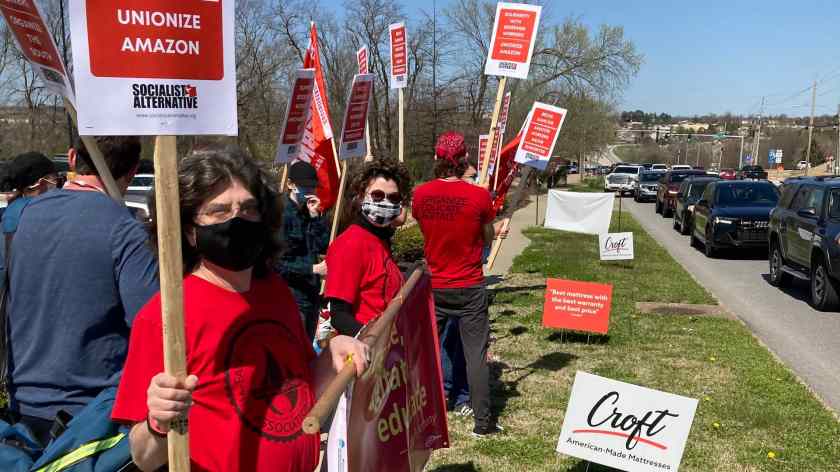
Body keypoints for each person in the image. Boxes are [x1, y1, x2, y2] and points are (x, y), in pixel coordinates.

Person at [111, 148, 368, 472]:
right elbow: (143, 456)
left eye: (247, 209)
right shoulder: (164, 316)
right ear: (189, 231)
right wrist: (158, 423)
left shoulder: (275, 291)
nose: (237, 221)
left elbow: (301, 388)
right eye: (219, 212)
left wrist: (333, 354)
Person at [5, 137, 158, 445]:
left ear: (72, 158)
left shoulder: (19, 219)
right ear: (130, 173)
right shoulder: (127, 230)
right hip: (92, 421)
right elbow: (151, 326)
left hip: (21, 408)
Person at [412, 131, 507, 437]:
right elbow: (487, 236)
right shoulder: (479, 196)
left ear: (437, 158)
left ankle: (420, 415)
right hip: (469, 285)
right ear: (465, 159)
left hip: (436, 284)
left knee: (425, 352)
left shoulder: (422, 194)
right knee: (476, 355)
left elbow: (423, 227)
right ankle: (483, 422)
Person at [324, 158, 412, 337]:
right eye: (378, 195)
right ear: (361, 195)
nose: (385, 202)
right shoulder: (350, 244)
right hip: (366, 351)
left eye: (393, 197)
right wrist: (370, 341)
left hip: (390, 347)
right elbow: (339, 315)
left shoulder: (380, 238)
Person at [276, 161, 329, 341]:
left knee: (307, 347)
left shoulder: (310, 211)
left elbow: (323, 245)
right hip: (291, 297)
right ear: (290, 185)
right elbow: (277, 263)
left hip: (311, 294)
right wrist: (312, 269)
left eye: (313, 187)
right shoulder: (281, 215)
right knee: (294, 346)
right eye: (305, 186)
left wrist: (315, 218)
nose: (310, 191)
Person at [2, 152, 58, 240]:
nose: (59, 185)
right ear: (42, 183)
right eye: (56, 180)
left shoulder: (11, 211)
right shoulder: (47, 214)